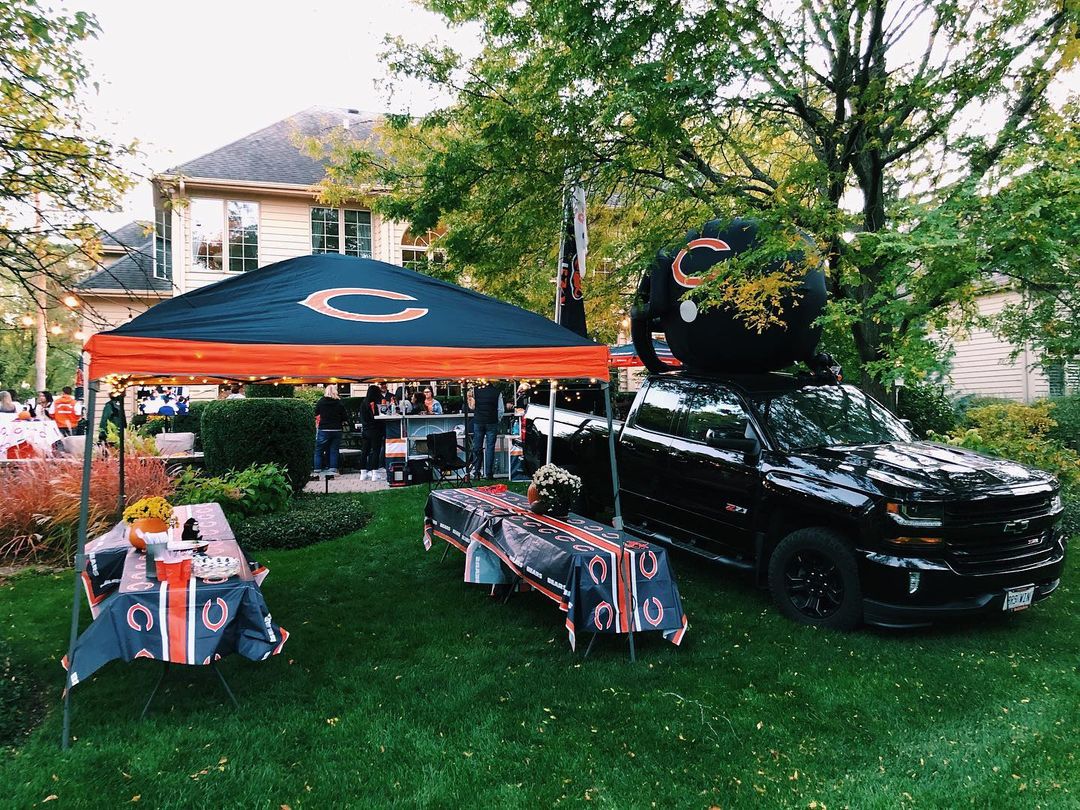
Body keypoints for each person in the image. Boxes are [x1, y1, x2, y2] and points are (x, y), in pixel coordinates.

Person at [471, 381, 504, 479]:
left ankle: (476, 472)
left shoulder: (475, 391)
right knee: (490, 448)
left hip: (478, 421)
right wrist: (497, 419)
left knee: (477, 447)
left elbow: (472, 406)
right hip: (492, 421)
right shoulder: (497, 392)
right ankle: (489, 473)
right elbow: (501, 409)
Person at [313, 384, 348, 476]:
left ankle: (317, 469)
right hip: (336, 429)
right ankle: (333, 469)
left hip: (324, 429)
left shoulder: (321, 402)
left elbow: (316, 413)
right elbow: (345, 417)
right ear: (335, 391)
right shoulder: (339, 403)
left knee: (319, 450)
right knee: (334, 450)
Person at [360, 384, 386, 481]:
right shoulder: (375, 404)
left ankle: (363, 472)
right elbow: (378, 417)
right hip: (375, 430)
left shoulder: (363, 403)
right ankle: (375, 473)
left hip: (365, 430)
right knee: (376, 451)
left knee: (365, 451)